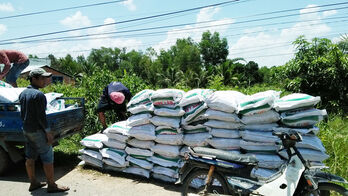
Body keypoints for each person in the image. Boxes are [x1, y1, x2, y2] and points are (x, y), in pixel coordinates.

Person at [18, 68, 69, 193]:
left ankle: (33, 182)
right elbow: (41, 116)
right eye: (42, 78)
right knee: (47, 156)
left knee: (30, 157)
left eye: (45, 78)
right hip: (37, 131)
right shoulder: (39, 95)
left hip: (26, 129)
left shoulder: (23, 93)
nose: (45, 80)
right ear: (34, 79)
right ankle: (51, 185)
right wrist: (48, 132)